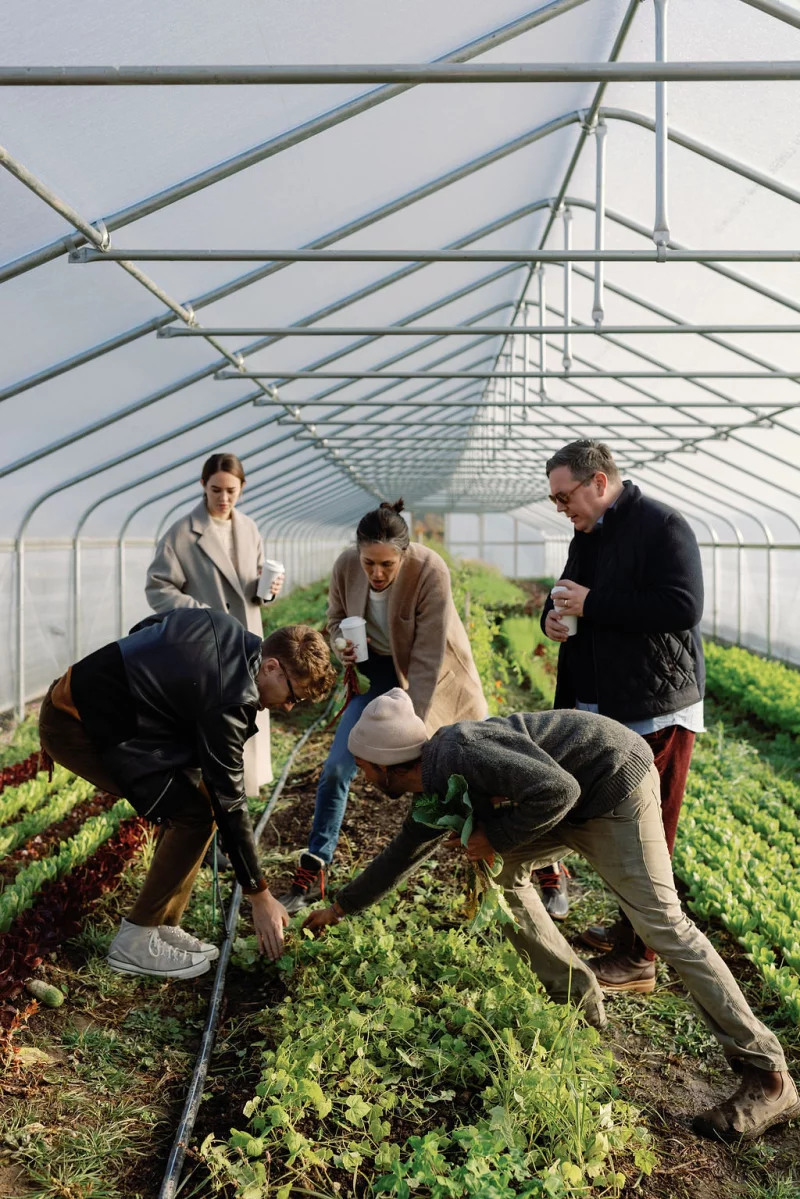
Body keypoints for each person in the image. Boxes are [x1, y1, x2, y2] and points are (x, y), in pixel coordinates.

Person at [303, 691, 799, 1143]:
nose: (362, 778)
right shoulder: (433, 783)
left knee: (662, 925)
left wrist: (495, 837)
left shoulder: (460, 753)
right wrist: (339, 908)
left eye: (362, 768)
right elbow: (402, 854)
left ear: (384, 764)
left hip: (613, 783)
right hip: (572, 798)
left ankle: (769, 1074)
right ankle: (579, 1000)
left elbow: (557, 790)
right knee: (501, 873)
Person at [38, 608, 336, 979]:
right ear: (272, 665)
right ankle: (135, 940)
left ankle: (163, 924)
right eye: (294, 695)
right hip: (77, 727)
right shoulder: (230, 696)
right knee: (193, 814)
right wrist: (258, 893)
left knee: (199, 807)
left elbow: (146, 628)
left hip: (94, 707)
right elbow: (229, 798)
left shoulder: (222, 625)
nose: (288, 707)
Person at [537, 439, 705, 992]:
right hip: (607, 706)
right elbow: (569, 592)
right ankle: (627, 929)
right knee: (620, 823)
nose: (563, 509)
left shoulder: (663, 526)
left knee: (649, 833)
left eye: (566, 498)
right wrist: (551, 619)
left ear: (599, 483)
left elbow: (683, 606)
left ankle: (639, 959)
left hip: (655, 711)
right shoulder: (589, 532)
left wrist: (592, 604)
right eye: (558, 501)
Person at [278, 499, 487, 913]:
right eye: (368, 562)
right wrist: (342, 644)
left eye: (386, 565)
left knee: (470, 768)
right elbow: (336, 617)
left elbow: (427, 658)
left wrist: (415, 735)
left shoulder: (430, 571)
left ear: (404, 556)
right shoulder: (345, 566)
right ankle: (315, 866)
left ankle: (534, 871)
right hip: (377, 677)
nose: (376, 573)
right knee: (338, 766)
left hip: (437, 681)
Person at [145, 452, 284, 802]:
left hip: (247, 642)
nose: (223, 498)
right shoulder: (182, 533)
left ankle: (237, 812)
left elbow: (249, 586)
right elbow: (158, 588)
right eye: (215, 490)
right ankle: (213, 820)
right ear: (203, 486)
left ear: (242, 488)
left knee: (244, 721)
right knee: (214, 731)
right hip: (206, 647)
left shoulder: (248, 528)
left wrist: (266, 591)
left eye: (231, 491)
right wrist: (203, 614)